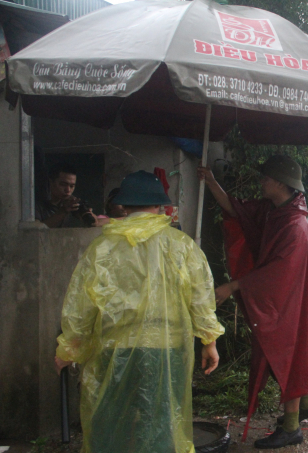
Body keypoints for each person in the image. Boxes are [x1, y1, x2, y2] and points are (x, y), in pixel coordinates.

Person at [54, 170, 224, 453]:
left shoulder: (103, 247)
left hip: (115, 350)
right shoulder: (181, 246)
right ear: (159, 206)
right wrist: (209, 341)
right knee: (160, 423)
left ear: (124, 206)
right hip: (166, 352)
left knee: (111, 423)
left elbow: (80, 308)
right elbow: (201, 297)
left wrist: (68, 350)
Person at [198, 155, 308, 450]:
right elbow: (236, 210)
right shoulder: (274, 210)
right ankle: (306, 404)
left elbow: (278, 272)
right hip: (280, 300)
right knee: (282, 352)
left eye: (265, 178)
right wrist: (211, 182)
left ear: (280, 183)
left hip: (287, 302)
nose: (261, 182)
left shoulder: (294, 225)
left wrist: (234, 285)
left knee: (286, 354)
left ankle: (292, 428)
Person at [36, 163, 96, 228]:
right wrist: (63, 211)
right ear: (51, 183)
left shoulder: (71, 203)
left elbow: (94, 223)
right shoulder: (36, 206)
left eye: (72, 186)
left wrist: (86, 213)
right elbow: (36, 230)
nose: (68, 190)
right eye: (63, 184)